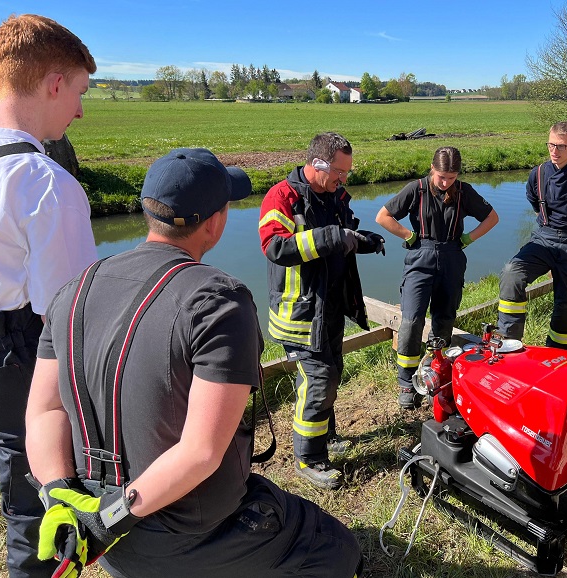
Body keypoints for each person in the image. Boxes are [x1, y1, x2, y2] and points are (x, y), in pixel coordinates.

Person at [25, 148, 363, 578]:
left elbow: (44, 409)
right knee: (339, 550)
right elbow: (201, 452)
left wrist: (59, 495)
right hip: (190, 534)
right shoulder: (218, 301)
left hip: (102, 537)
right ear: (215, 222)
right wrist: (109, 520)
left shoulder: (73, 289)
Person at [0, 14, 97, 577]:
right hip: (23, 352)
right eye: (78, 92)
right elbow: (73, 311)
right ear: (54, 83)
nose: (79, 110)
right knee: (43, 496)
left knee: (13, 471)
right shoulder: (45, 184)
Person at [258, 133, 385, 490]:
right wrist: (333, 236)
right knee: (319, 379)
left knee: (330, 374)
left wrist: (364, 241)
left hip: (328, 308)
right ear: (318, 165)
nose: (344, 179)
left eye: (346, 172)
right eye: (340, 171)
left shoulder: (336, 195)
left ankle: (325, 437)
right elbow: (275, 247)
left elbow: (344, 234)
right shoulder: (282, 197)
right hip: (299, 313)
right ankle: (308, 458)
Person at [375, 146, 498, 409]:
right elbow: (383, 217)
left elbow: (492, 217)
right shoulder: (416, 189)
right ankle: (406, 382)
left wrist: (468, 238)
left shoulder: (464, 192)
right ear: (432, 169)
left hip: (453, 256)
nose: (445, 183)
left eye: (451, 178)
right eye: (441, 177)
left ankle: (435, 368)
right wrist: (409, 236)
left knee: (445, 318)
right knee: (411, 319)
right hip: (421, 256)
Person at [497, 121, 567, 350]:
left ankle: (556, 352)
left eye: (561, 146)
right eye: (551, 145)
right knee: (511, 273)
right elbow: (537, 207)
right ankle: (510, 342)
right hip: (544, 238)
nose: (554, 152)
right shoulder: (537, 174)